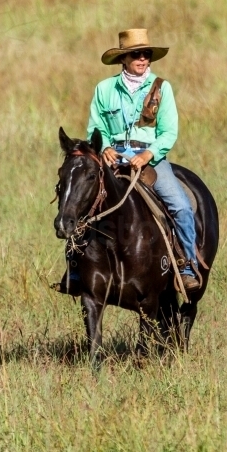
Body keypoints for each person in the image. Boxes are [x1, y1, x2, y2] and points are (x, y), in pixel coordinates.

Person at [87, 28, 199, 290]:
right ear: (123, 59)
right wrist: (104, 147)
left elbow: (168, 131)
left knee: (180, 206)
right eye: (136, 54)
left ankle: (186, 265)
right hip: (113, 157)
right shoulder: (104, 89)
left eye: (146, 54)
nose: (142, 59)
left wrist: (149, 154)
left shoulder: (162, 88)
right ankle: (77, 269)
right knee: (81, 202)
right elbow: (96, 127)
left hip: (150, 158)